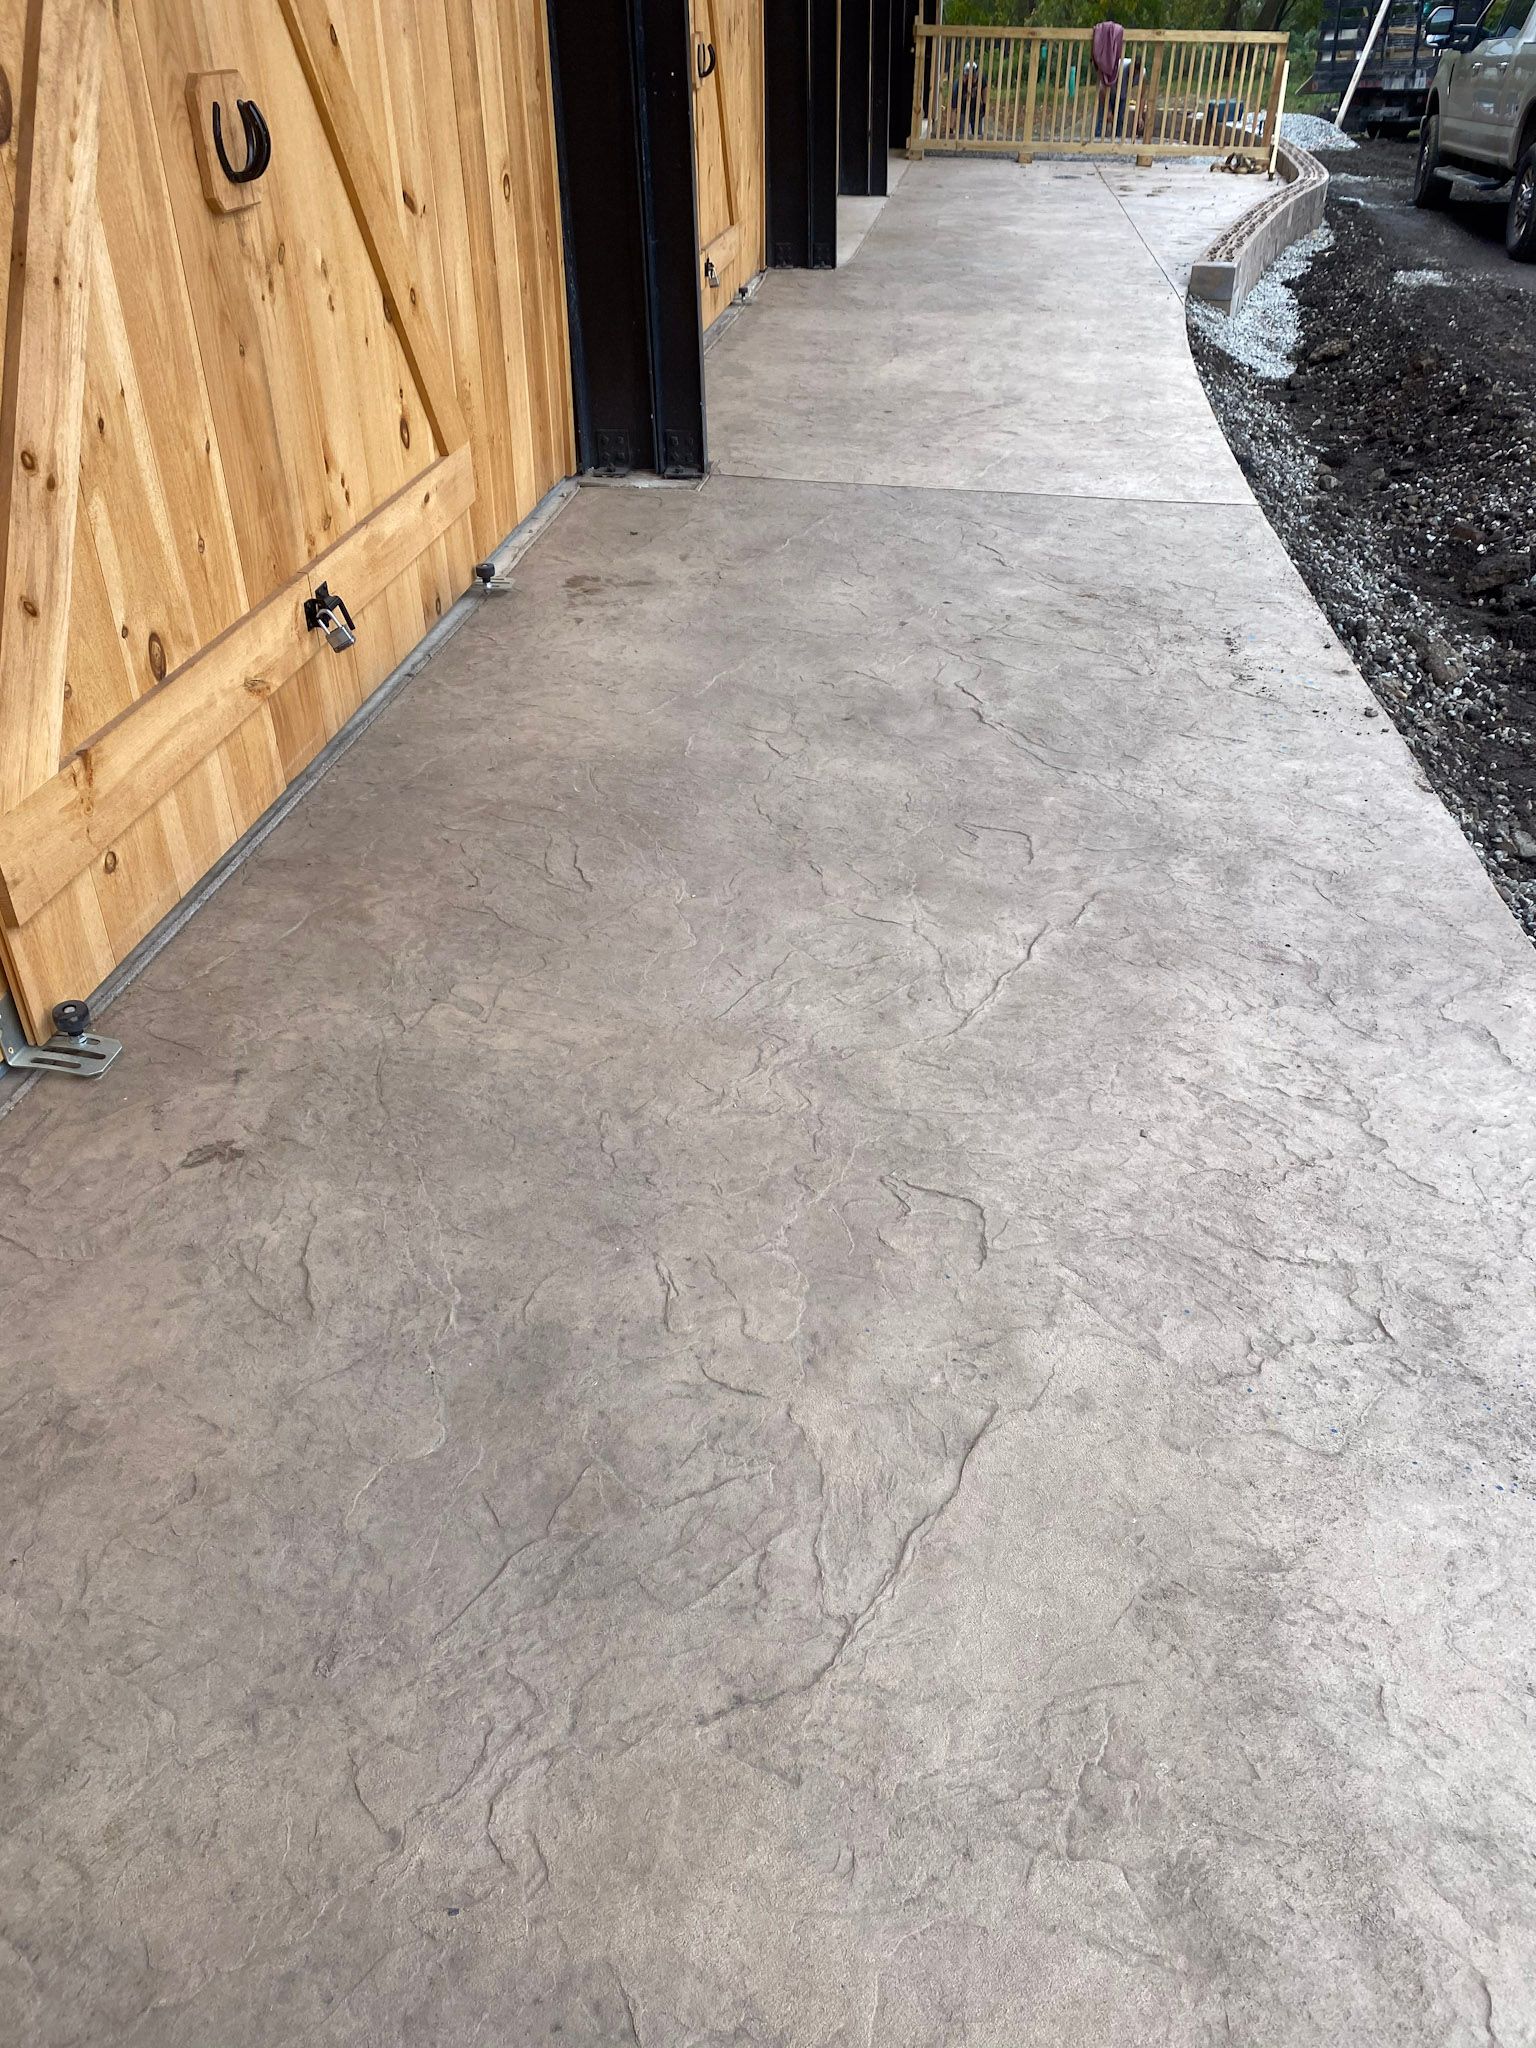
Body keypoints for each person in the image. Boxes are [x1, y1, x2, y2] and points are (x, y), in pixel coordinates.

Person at [952, 58, 988, 138]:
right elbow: (954, 108)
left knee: (978, 135)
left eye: (975, 76)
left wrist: (984, 105)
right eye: (972, 77)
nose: (974, 79)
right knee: (962, 134)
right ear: (966, 76)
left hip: (976, 109)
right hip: (963, 110)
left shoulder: (981, 78)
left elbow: (984, 89)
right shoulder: (958, 85)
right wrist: (951, 128)